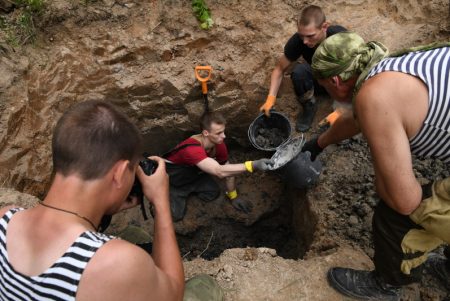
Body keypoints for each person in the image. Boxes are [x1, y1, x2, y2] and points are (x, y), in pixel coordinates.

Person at [307, 31, 450, 300]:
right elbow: (358, 117)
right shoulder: (390, 66)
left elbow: (405, 201)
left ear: (336, 80)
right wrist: (319, 143)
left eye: (326, 87)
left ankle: (387, 285)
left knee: (396, 216)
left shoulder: (374, 97)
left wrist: (383, 177)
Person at [0, 100, 184, 300]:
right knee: (202, 286)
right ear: (120, 173)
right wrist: (160, 203)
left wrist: (104, 206)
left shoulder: (5, 217)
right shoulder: (119, 262)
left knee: (135, 234)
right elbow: (173, 293)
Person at [164, 111, 273, 221]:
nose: (224, 136)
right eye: (218, 133)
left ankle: (189, 189)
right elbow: (219, 171)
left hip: (194, 176)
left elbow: (228, 172)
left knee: (213, 193)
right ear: (206, 133)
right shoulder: (191, 149)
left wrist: (233, 197)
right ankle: (170, 192)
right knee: (175, 216)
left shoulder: (218, 145)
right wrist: (253, 165)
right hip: (173, 179)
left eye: (223, 131)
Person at [259, 5, 346, 132]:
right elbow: (279, 69)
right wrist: (270, 98)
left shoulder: (342, 38)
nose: (305, 41)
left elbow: (361, 77)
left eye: (310, 36)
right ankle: (309, 106)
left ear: (325, 26)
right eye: (301, 36)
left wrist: (341, 110)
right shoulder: (299, 41)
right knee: (299, 72)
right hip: (321, 79)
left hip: (342, 82)